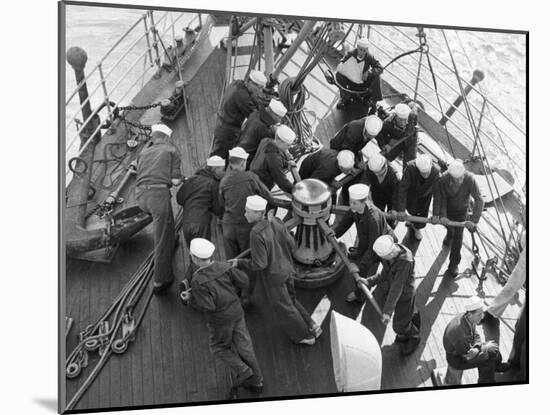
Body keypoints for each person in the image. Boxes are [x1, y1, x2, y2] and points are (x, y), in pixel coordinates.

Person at [231, 195, 322, 345]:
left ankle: (305, 336)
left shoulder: (255, 234)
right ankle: (312, 325)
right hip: (287, 268)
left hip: (274, 277)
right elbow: (291, 244)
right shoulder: (277, 222)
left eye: (248, 211)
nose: (245, 214)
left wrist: (239, 262)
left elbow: (259, 264)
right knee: (292, 299)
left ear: (259, 213)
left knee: (285, 308)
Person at [181, 238, 263, 394]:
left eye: (192, 256)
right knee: (245, 347)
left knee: (219, 347)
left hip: (221, 320)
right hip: (237, 311)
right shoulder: (224, 266)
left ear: (197, 258)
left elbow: (208, 306)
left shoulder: (198, 281)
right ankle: (257, 381)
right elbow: (244, 281)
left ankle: (244, 370)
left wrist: (190, 299)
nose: (192, 258)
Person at [136, 123, 182, 295]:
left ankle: (172, 240)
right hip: (157, 197)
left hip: (141, 197)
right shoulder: (171, 150)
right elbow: (176, 181)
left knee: (167, 221)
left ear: (153, 137)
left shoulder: (143, 152)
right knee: (160, 240)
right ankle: (160, 280)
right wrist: (182, 178)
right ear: (167, 137)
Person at [332, 184, 396, 303]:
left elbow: (373, 247)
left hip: (384, 246)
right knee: (363, 270)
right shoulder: (355, 209)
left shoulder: (373, 219)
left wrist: (360, 265)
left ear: (364, 202)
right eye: (350, 202)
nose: (351, 205)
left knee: (391, 270)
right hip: (367, 243)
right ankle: (359, 295)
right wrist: (334, 233)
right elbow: (346, 221)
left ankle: (393, 291)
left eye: (354, 203)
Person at [361, 235, 420, 356]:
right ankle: (408, 325)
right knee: (403, 320)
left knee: (399, 325)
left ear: (388, 254)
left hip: (405, 295)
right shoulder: (391, 255)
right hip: (398, 295)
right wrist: (369, 281)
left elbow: (397, 288)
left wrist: (387, 312)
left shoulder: (404, 263)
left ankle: (414, 336)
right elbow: (385, 274)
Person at [218, 146, 273, 261]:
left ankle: (233, 277)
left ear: (231, 163)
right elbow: (268, 197)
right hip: (246, 227)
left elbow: (221, 203)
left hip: (229, 227)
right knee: (248, 256)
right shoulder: (251, 177)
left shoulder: (224, 181)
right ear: (243, 163)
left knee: (232, 260)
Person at [432, 159, 484, 278]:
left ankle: (454, 264)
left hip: (461, 212)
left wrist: (473, 221)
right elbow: (441, 199)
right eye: (456, 179)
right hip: (448, 210)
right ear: (450, 175)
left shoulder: (470, 178)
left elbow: (479, 199)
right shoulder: (443, 180)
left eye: (461, 177)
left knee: (458, 238)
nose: (460, 180)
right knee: (450, 228)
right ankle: (449, 234)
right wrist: (443, 216)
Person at [443, 296, 507, 384]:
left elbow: (476, 334)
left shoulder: (466, 317)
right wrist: (483, 348)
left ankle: (496, 366)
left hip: (466, 349)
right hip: (458, 359)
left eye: (482, 313)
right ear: (470, 314)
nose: (482, 317)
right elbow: (468, 355)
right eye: (479, 314)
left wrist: (478, 347)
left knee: (493, 349)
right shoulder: (461, 335)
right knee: (488, 359)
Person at [210, 70, 267, 158]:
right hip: (227, 132)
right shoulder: (242, 97)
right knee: (219, 158)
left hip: (221, 125)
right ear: (251, 83)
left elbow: (249, 98)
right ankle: (209, 171)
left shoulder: (237, 83)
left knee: (216, 153)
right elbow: (254, 115)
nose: (260, 91)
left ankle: (211, 169)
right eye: (259, 88)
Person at [330, 115, 384, 206]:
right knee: (339, 168)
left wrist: (384, 145)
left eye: (372, 137)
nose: (370, 138)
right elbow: (346, 149)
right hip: (340, 148)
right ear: (365, 129)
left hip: (355, 148)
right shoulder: (354, 131)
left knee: (360, 173)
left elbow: (380, 137)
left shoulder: (373, 124)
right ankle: (332, 184)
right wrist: (353, 167)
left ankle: (346, 194)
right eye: (368, 136)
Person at [176, 155, 225, 246]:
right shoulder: (213, 184)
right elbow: (218, 209)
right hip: (201, 225)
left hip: (186, 225)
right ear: (215, 169)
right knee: (203, 256)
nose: (224, 173)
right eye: (222, 170)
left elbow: (179, 198)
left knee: (194, 255)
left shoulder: (191, 179)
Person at [394, 154, 441, 240]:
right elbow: (402, 189)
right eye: (423, 173)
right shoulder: (410, 168)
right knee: (410, 209)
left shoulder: (436, 172)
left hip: (425, 196)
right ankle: (410, 220)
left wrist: (436, 214)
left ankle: (417, 228)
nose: (426, 175)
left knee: (422, 213)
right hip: (411, 194)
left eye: (427, 172)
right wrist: (401, 210)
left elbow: (437, 195)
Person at [334, 37, 383, 109]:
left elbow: (380, 68)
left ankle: (374, 103)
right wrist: (341, 64)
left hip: (362, 81)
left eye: (364, 50)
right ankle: (345, 96)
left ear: (367, 50)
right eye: (360, 50)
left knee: (377, 78)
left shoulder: (369, 57)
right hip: (350, 81)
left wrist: (369, 72)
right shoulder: (351, 53)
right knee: (338, 75)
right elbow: (342, 62)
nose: (362, 52)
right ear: (357, 47)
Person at [238, 99, 288, 167]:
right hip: (247, 160)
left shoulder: (255, 113)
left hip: (240, 148)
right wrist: (286, 163)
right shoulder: (264, 129)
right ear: (273, 115)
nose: (279, 121)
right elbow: (272, 150)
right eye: (279, 118)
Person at [249, 124, 296, 195]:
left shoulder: (266, 141)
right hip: (260, 187)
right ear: (280, 142)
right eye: (288, 145)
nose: (288, 148)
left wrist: (286, 164)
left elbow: (273, 161)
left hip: (252, 178)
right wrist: (296, 190)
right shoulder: (274, 158)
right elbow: (282, 183)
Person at [361, 153, 400, 228]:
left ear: (385, 166)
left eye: (379, 173)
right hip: (377, 193)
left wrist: (394, 209)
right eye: (375, 173)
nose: (377, 175)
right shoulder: (370, 168)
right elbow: (364, 182)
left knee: (390, 221)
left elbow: (396, 194)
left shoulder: (394, 176)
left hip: (391, 197)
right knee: (373, 217)